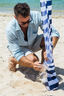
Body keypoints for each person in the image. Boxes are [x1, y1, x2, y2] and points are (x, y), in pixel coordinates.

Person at [6, 3, 60, 72]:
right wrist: (32, 65)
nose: (26, 24)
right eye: (23, 23)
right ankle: (13, 60)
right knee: (34, 60)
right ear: (15, 18)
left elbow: (54, 32)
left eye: (28, 21)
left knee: (49, 38)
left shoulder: (36, 15)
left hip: (33, 42)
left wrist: (50, 48)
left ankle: (44, 67)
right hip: (20, 47)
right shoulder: (10, 29)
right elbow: (17, 53)